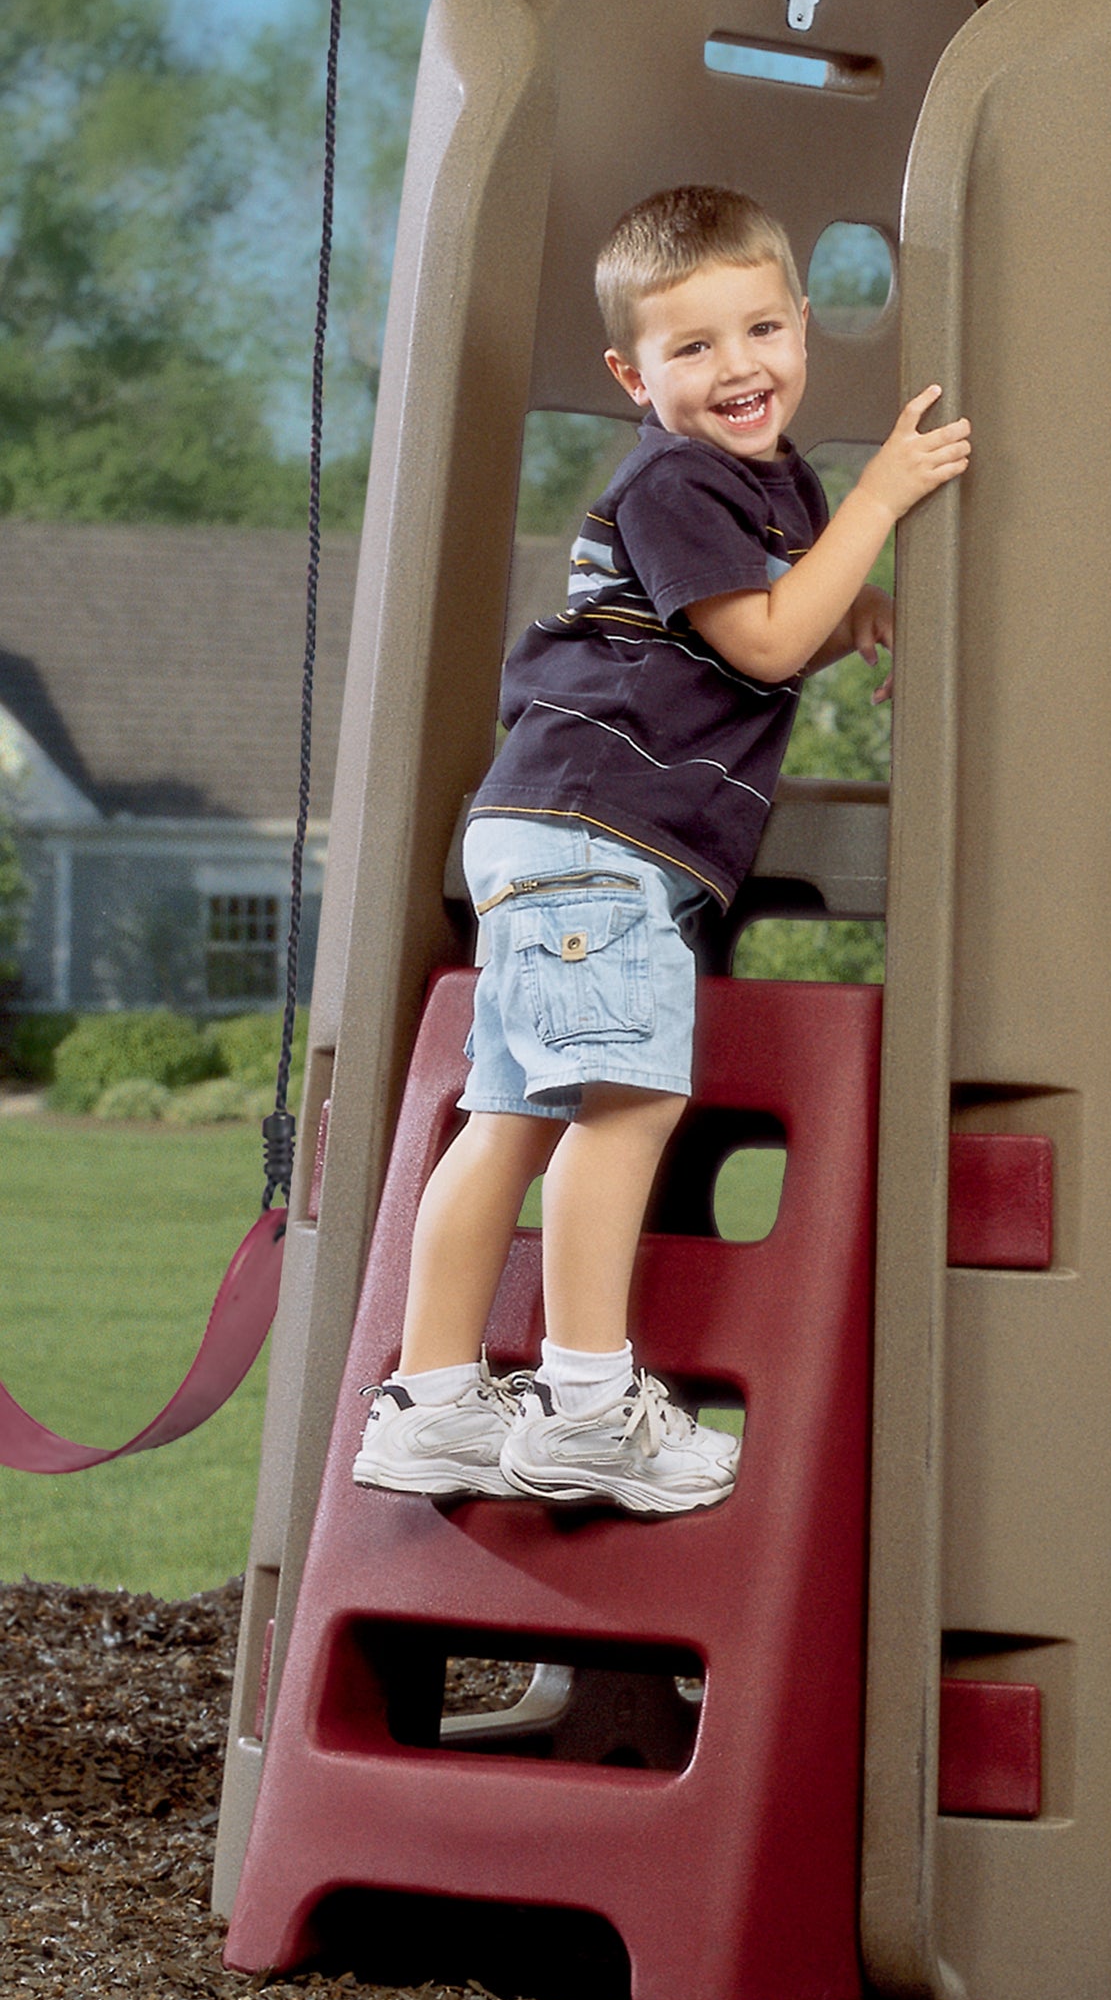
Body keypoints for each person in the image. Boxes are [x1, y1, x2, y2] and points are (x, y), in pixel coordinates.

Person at [353, 183, 969, 1511]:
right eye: (694, 347)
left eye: (762, 330)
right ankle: (585, 1406)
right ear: (637, 376)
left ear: (801, 325)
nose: (739, 367)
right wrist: (880, 505)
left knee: (510, 1117)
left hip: (551, 829)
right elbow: (764, 642)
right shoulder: (680, 476)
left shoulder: (757, 482)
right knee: (625, 1106)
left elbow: (753, 633)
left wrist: (853, 603)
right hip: (598, 835)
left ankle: (433, 1405)